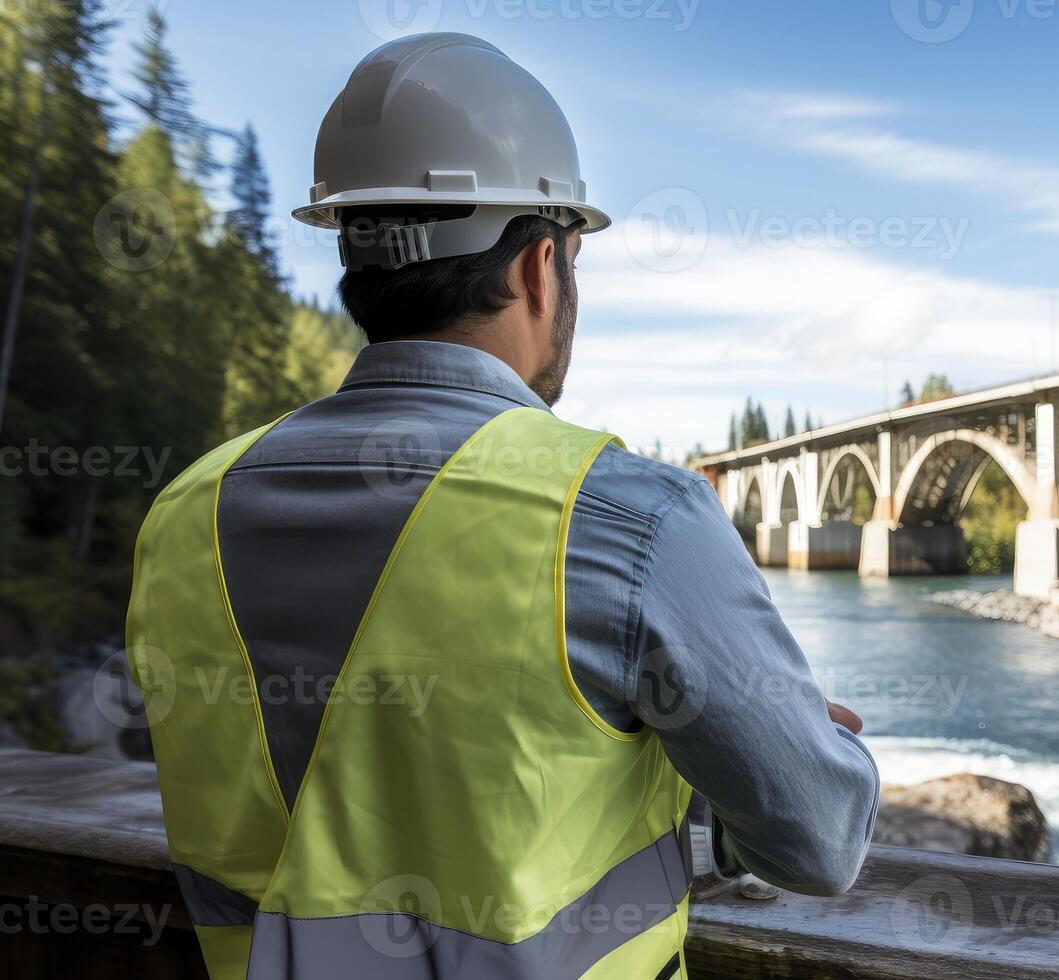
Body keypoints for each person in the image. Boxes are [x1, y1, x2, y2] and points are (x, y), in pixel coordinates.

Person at [125, 32, 878, 980]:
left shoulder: (184, 511)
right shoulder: (630, 520)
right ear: (538, 267)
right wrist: (740, 774)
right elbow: (818, 844)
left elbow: (342, 787)